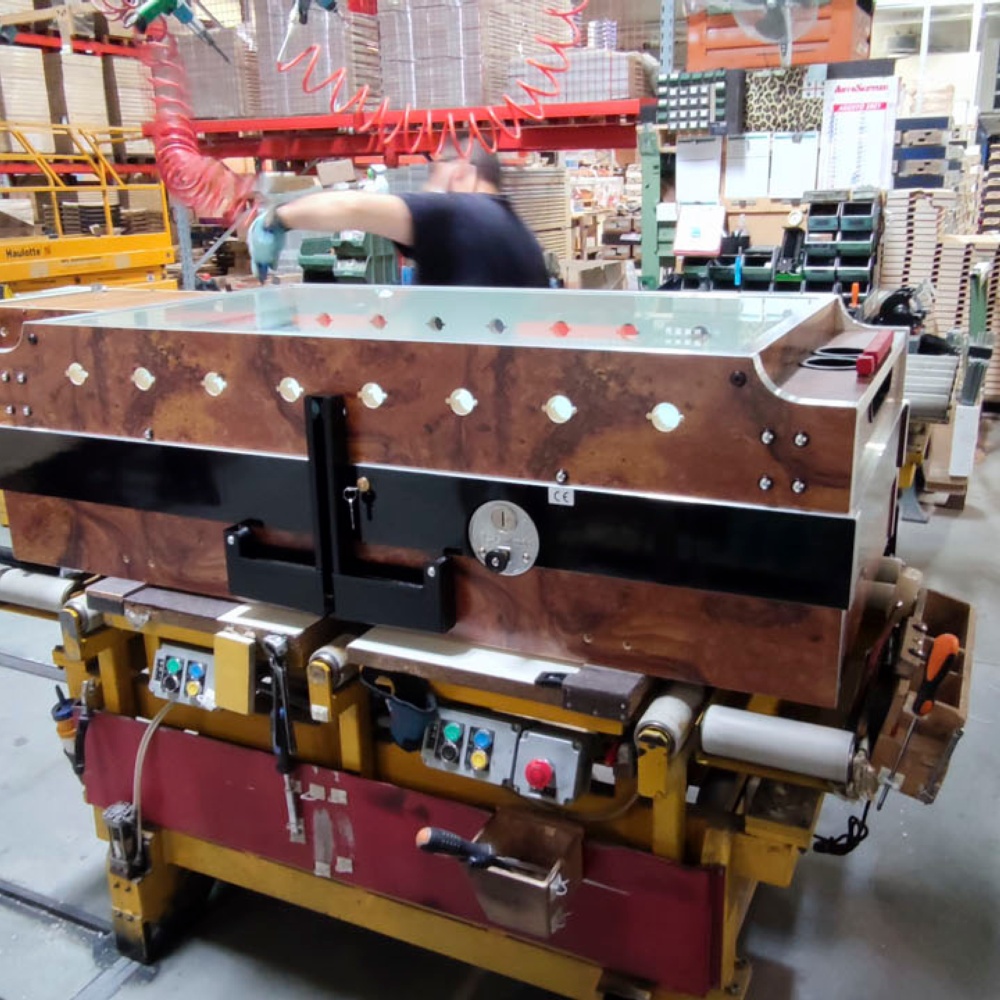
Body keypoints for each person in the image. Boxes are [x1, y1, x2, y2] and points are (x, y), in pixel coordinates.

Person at [248, 145, 550, 288]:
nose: (427, 186)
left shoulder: (457, 212)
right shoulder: (520, 234)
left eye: (434, 172)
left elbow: (352, 208)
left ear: (460, 171)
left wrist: (276, 221)